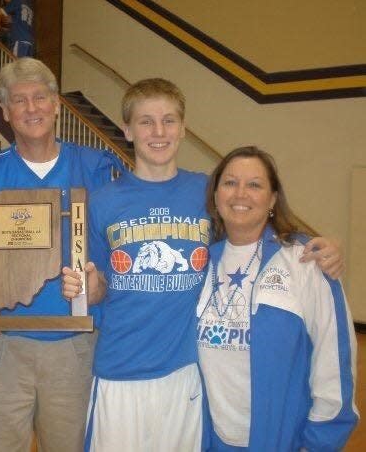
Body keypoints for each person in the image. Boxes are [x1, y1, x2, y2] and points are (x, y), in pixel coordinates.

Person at [61, 78, 345, 451]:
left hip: (187, 374)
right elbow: (96, 287)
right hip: (119, 369)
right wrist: (88, 290)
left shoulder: (208, 192)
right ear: (127, 130)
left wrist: (319, 246)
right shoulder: (100, 203)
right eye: (146, 121)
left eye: (168, 120)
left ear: (183, 128)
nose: (158, 131)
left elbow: (255, 223)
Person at [0, 57, 124, 452]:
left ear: (57, 104)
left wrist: (99, 285)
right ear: (5, 112)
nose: (32, 108)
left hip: (73, 345)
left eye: (40, 97)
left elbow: (121, 244)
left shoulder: (97, 168)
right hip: (4, 341)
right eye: (19, 101)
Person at [197, 146, 358, 450]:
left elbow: (334, 362)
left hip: (283, 441)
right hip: (210, 438)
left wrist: (319, 443)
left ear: (272, 199)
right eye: (230, 182)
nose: (240, 194)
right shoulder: (200, 262)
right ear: (216, 196)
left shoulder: (304, 261)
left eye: (254, 185)